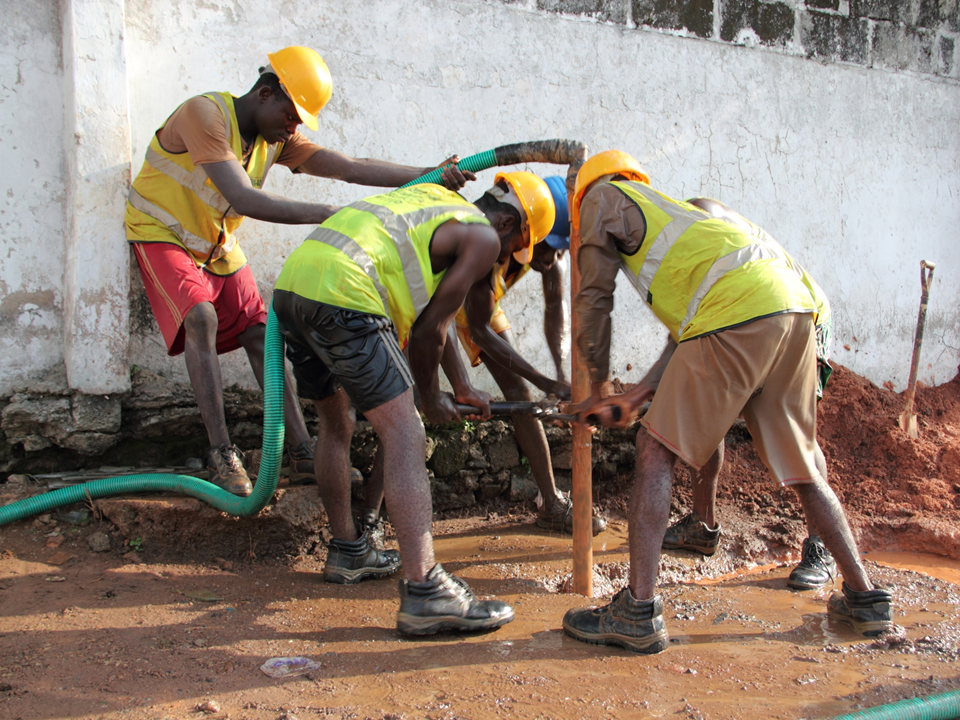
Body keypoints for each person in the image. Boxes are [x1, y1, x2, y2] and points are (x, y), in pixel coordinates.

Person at [560, 150, 893, 654]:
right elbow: (687, 339)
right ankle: (866, 600)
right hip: (793, 311)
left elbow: (593, 300)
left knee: (655, 451)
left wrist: (598, 390)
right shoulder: (691, 229)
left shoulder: (604, 199)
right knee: (804, 469)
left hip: (740, 312)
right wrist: (636, 395)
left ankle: (637, 611)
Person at [125, 46, 472, 496]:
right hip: (162, 230)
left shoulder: (275, 141)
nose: (293, 128)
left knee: (261, 331)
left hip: (214, 242)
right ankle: (221, 453)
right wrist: (327, 213)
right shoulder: (204, 115)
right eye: (291, 117)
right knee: (201, 317)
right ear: (265, 94)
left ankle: (303, 451)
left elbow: (349, 168)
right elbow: (246, 198)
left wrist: (428, 174)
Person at [272, 172, 555, 635]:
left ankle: (349, 551)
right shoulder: (482, 237)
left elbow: (434, 319)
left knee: (336, 424)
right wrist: (428, 398)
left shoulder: (437, 203)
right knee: (405, 430)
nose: (504, 260)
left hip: (296, 284)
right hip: (348, 291)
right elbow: (428, 332)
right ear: (506, 224)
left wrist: (459, 386)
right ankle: (425, 590)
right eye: (514, 248)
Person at [357, 175, 607, 536]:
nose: (553, 256)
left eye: (560, 248)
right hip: (435, 299)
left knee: (519, 393)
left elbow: (551, 312)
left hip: (479, 306)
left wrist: (557, 378)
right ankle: (369, 519)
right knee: (407, 404)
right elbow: (472, 329)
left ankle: (551, 503)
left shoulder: (537, 253)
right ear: (521, 228)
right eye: (548, 246)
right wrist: (544, 380)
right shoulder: (484, 236)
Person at [661, 197, 837, 590]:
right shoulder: (690, 245)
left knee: (795, 432)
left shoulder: (706, 228)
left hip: (798, 314)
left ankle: (822, 548)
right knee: (708, 410)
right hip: (747, 311)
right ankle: (702, 525)